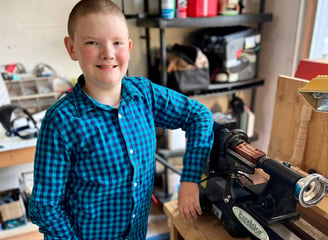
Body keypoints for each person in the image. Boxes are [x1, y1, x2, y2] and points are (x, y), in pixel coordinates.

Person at [29, 0, 214, 239]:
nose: (108, 53)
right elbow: (45, 207)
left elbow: (199, 115)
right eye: (92, 42)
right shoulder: (61, 121)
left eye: (116, 43)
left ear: (128, 47)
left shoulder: (145, 95)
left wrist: (190, 179)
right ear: (72, 48)